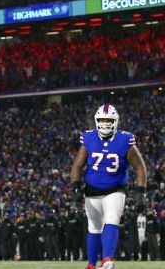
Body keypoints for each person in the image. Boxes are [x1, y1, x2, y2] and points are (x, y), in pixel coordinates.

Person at [70, 104, 147, 269]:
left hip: (115, 187)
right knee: (94, 227)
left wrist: (141, 193)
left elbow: (140, 167)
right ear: (96, 121)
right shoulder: (89, 137)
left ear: (116, 121)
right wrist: (75, 186)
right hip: (92, 188)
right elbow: (77, 165)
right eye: (102, 120)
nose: (105, 124)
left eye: (108, 120)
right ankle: (91, 264)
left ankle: (107, 260)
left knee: (112, 218)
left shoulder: (125, 139)